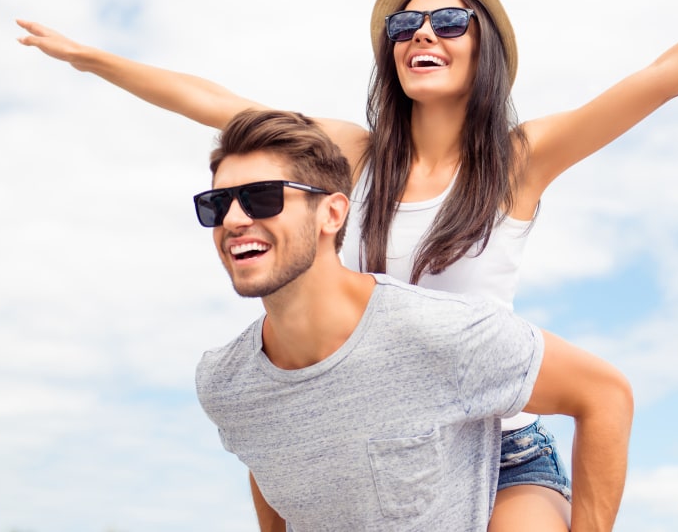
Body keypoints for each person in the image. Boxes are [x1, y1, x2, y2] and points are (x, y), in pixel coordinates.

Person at [17, 0, 678, 530]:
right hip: (378, 448)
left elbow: (667, 74)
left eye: (448, 19)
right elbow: (215, 102)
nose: (421, 33)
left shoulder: (519, 160)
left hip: (499, 446)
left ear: (484, 48)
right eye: (405, 22)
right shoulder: (351, 156)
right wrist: (94, 59)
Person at [192, 108, 633, 532]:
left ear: (332, 213)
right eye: (217, 204)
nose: (233, 219)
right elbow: (269, 465)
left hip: (504, 469)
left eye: (262, 198)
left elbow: (604, 394)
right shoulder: (227, 384)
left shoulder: (437, 333)